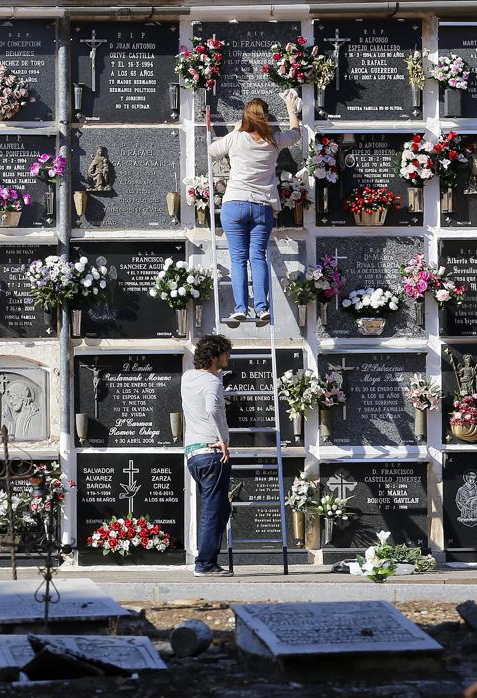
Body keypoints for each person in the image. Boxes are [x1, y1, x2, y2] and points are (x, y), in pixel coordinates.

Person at [207, 95, 302, 326]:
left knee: (238, 258)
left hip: (235, 204)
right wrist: (291, 110)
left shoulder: (236, 138)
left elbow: (211, 150)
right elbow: (296, 134)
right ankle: (262, 308)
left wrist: (241, 125)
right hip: (262, 207)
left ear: (245, 118)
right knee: (257, 257)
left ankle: (240, 308)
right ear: (267, 118)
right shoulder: (274, 140)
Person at [181, 334, 233, 577]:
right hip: (212, 453)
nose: (228, 358)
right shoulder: (212, 383)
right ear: (214, 357)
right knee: (213, 510)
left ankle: (210, 559)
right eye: (225, 354)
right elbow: (212, 408)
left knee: (221, 508)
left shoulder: (188, 378)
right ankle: (204, 564)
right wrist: (222, 439)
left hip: (193, 454)